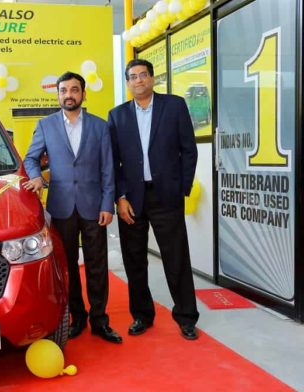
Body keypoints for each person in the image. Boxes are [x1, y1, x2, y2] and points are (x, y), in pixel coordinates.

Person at [23, 71, 122, 344]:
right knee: (67, 266)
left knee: (97, 266)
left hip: (94, 207)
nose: (69, 95)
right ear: (58, 95)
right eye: (64, 90)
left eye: (74, 90)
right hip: (61, 206)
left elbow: (108, 170)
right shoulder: (46, 125)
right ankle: (77, 317)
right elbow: (30, 158)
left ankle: (100, 321)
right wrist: (36, 178)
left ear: (83, 94)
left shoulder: (101, 127)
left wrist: (108, 204)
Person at [107, 59, 200, 340]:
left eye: (143, 75)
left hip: (166, 196)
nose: (138, 80)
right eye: (132, 77)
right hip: (132, 199)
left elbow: (189, 150)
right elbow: (114, 161)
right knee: (134, 260)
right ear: (128, 82)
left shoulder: (174, 106)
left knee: (176, 258)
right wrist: (119, 197)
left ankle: (186, 317)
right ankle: (142, 316)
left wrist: (180, 189)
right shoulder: (117, 115)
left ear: (152, 78)